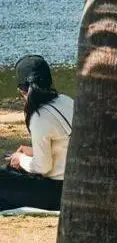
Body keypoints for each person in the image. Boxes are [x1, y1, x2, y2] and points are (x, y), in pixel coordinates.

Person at [0, 56, 72, 213]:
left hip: (58, 191)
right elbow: (66, 146)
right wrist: (33, 152)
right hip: (74, 182)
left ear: (22, 91)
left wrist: (21, 159)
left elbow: (43, 167)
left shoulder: (39, 116)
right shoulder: (66, 100)